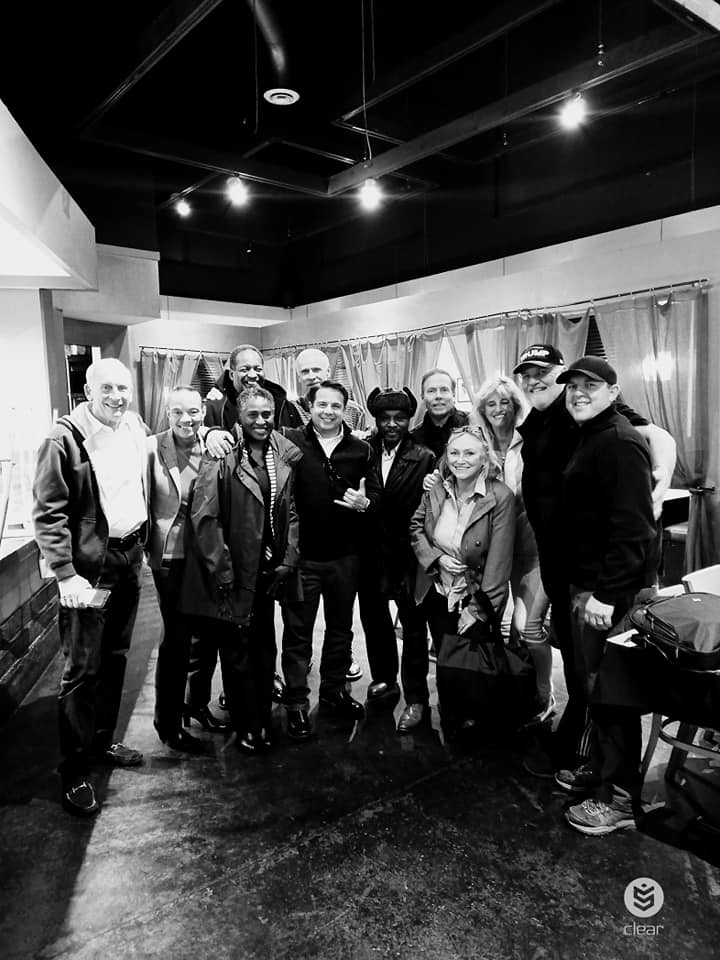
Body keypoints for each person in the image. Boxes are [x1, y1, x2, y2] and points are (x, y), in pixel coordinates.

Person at [514, 344, 676, 777]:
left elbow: (659, 437)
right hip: (563, 565)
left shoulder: (603, 423)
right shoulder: (551, 419)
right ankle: (583, 750)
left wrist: (659, 489)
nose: (533, 381)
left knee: (601, 678)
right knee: (579, 663)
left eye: (542, 372)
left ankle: (600, 770)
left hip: (599, 577)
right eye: (526, 375)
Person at [32, 358, 147, 817]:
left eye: (124, 388)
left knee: (116, 656)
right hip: (89, 572)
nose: (117, 397)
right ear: (87, 390)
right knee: (82, 669)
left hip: (129, 557)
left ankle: (102, 742)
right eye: (108, 388)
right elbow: (48, 513)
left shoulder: (132, 426)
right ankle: (75, 769)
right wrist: (65, 573)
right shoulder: (63, 439)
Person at [547, 358, 657, 834]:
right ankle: (601, 770)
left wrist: (608, 595)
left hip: (610, 593)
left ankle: (619, 800)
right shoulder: (592, 435)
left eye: (590, 385)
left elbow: (634, 529)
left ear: (613, 392)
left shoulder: (619, 441)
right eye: (572, 386)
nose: (578, 393)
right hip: (588, 586)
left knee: (615, 696)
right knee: (596, 689)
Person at [181, 386, 303, 753]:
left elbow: (290, 510)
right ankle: (246, 724)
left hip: (267, 571)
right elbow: (205, 518)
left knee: (265, 648)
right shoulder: (221, 454)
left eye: (267, 414)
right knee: (237, 653)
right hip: (233, 572)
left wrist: (288, 558)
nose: (262, 421)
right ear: (239, 416)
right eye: (253, 415)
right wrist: (223, 571)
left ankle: (261, 718)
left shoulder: (282, 453)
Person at [280, 380, 381, 740]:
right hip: (303, 558)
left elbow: (377, 496)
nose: (328, 411)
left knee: (340, 630)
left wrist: (365, 503)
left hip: (345, 557)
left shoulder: (361, 450)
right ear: (309, 407)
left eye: (335, 405)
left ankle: (333, 691)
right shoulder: (290, 441)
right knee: (297, 633)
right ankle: (296, 702)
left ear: (345, 409)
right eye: (321, 404)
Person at [410, 425, 515, 737]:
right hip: (437, 588)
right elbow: (416, 527)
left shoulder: (500, 496)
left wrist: (478, 610)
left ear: (484, 458)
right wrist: (436, 558)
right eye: (454, 453)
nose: (461, 459)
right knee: (446, 659)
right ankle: (451, 716)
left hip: (474, 594)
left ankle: (475, 721)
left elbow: (499, 562)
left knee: (473, 664)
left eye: (470, 453)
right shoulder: (437, 488)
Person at [472, 375, 554, 722]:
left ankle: (545, 692)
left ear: (516, 404)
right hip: (493, 550)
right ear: (482, 410)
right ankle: (514, 691)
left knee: (528, 627)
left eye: (505, 402)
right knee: (494, 627)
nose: (498, 409)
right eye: (491, 404)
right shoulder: (477, 444)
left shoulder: (533, 438)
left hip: (533, 547)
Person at [357, 388, 435, 729]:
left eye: (399, 418)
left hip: (408, 553)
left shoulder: (425, 456)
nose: (392, 424)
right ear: (376, 420)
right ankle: (385, 678)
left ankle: (417, 698)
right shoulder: (363, 450)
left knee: (414, 628)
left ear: (409, 419)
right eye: (385, 418)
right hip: (370, 551)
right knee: (374, 621)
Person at [146, 386, 213, 754]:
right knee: (176, 639)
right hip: (171, 558)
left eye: (193, 411)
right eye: (177, 412)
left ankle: (196, 705)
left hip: (208, 555)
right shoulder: (150, 448)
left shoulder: (215, 444)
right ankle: (168, 723)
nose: (186, 419)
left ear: (203, 411)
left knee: (208, 637)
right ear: (167, 413)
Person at [204, 344, 303, 433]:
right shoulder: (215, 409)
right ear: (231, 375)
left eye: (258, 369)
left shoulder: (283, 405)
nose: (252, 375)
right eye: (244, 370)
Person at [292, 348, 368, 433]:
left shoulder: (354, 410)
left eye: (316, 370)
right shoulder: (290, 410)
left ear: (328, 372)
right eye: (305, 371)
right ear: (299, 377)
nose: (311, 376)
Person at [410, 369, 469, 460]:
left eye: (444, 390)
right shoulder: (413, 440)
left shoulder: (471, 425)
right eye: (431, 391)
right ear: (422, 396)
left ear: (453, 394)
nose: (438, 396)